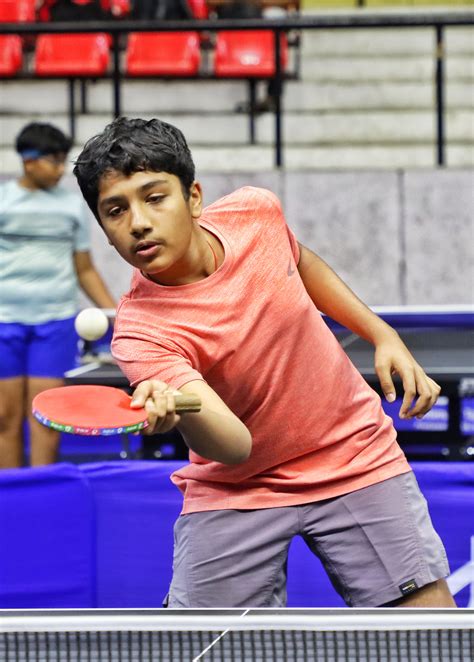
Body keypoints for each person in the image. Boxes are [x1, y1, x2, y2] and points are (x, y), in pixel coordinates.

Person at [73, 116, 455, 609]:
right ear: (105, 231)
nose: (139, 222)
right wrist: (181, 413)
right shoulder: (142, 332)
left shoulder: (254, 212)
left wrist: (381, 333)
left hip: (354, 456)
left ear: (193, 197)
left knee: (428, 634)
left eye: (154, 197)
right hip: (235, 491)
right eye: (116, 210)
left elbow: (299, 262)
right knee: (200, 647)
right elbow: (233, 447)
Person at [0, 122, 116, 468]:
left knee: (44, 416)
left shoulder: (72, 206)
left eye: (63, 160)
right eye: (53, 160)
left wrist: (116, 313)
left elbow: (84, 269)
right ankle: (11, 497)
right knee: (5, 416)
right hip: (4, 322)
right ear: (28, 161)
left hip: (55, 323)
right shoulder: (3, 201)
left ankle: (43, 494)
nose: (59, 168)